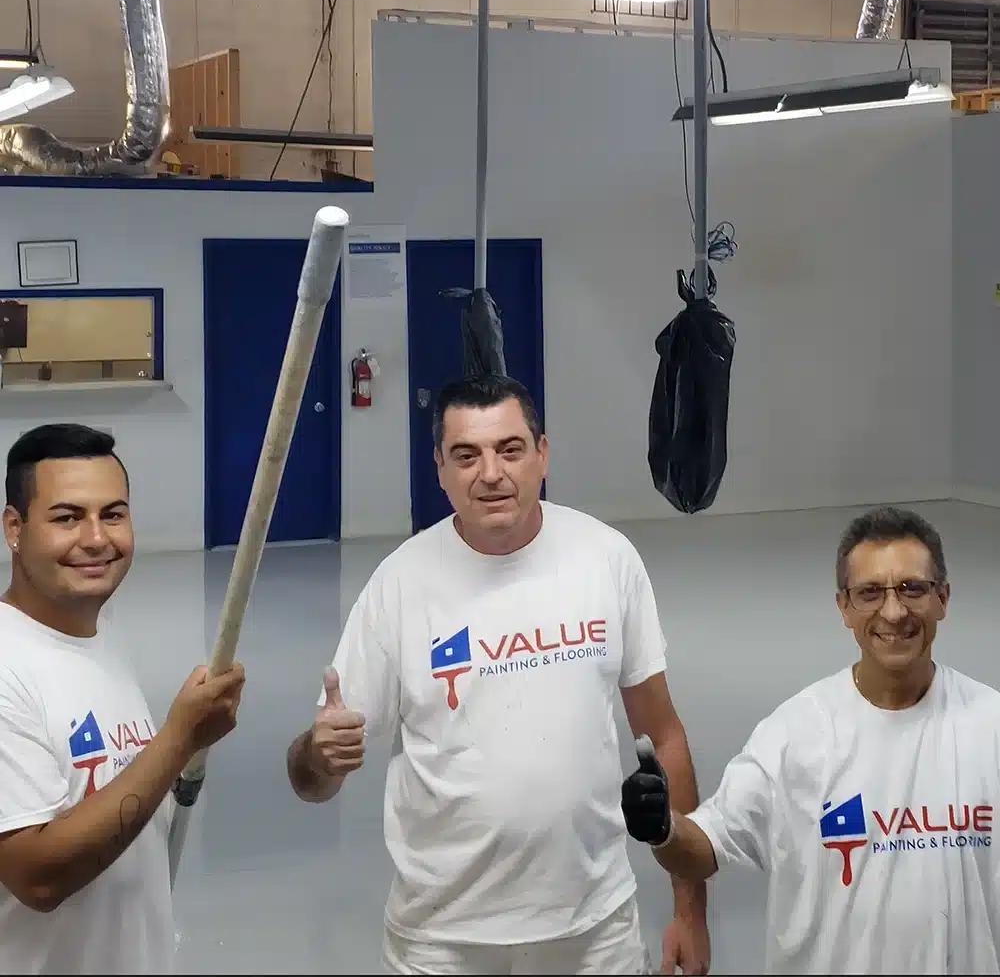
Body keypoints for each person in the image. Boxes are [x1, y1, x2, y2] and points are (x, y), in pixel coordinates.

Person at [286, 375, 711, 975]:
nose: (490, 473)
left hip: (593, 930)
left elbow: (663, 735)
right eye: (466, 455)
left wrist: (690, 909)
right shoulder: (400, 584)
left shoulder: (605, 560)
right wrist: (320, 754)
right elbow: (312, 781)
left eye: (510, 449)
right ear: (439, 467)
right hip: (441, 940)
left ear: (542, 452)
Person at [621, 504, 1000, 975]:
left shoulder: (990, 726)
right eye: (870, 593)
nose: (894, 611)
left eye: (912, 588)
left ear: (942, 597)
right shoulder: (794, 735)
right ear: (844, 607)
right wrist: (662, 827)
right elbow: (705, 849)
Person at [0, 423, 246, 975]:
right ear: (14, 528)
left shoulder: (98, 633)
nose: (95, 538)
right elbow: (36, 875)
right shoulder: (7, 667)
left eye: (113, 514)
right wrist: (179, 739)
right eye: (67, 517)